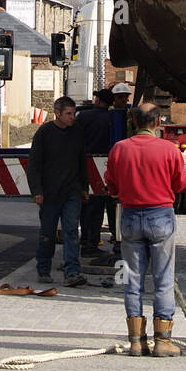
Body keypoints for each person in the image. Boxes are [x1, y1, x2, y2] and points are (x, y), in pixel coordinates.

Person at [104, 100, 186, 357]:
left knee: (132, 280)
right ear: (158, 122)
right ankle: (163, 340)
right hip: (160, 214)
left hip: (129, 215)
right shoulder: (169, 150)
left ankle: (136, 341)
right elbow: (180, 184)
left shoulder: (119, 149)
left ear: (134, 122)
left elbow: (112, 186)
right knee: (163, 279)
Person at [26, 96, 90, 286]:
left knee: (71, 231)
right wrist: (36, 191)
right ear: (57, 113)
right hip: (50, 192)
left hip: (72, 192)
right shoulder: (44, 133)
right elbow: (34, 164)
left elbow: (81, 162)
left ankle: (72, 272)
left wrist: (84, 188)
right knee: (48, 232)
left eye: (74, 113)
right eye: (68, 114)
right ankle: (43, 269)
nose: (72, 117)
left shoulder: (77, 132)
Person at [76, 88, 115, 256]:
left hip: (85, 166)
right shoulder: (113, 118)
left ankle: (87, 243)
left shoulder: (83, 117)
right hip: (107, 167)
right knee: (101, 208)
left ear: (98, 101)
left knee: (87, 207)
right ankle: (96, 242)